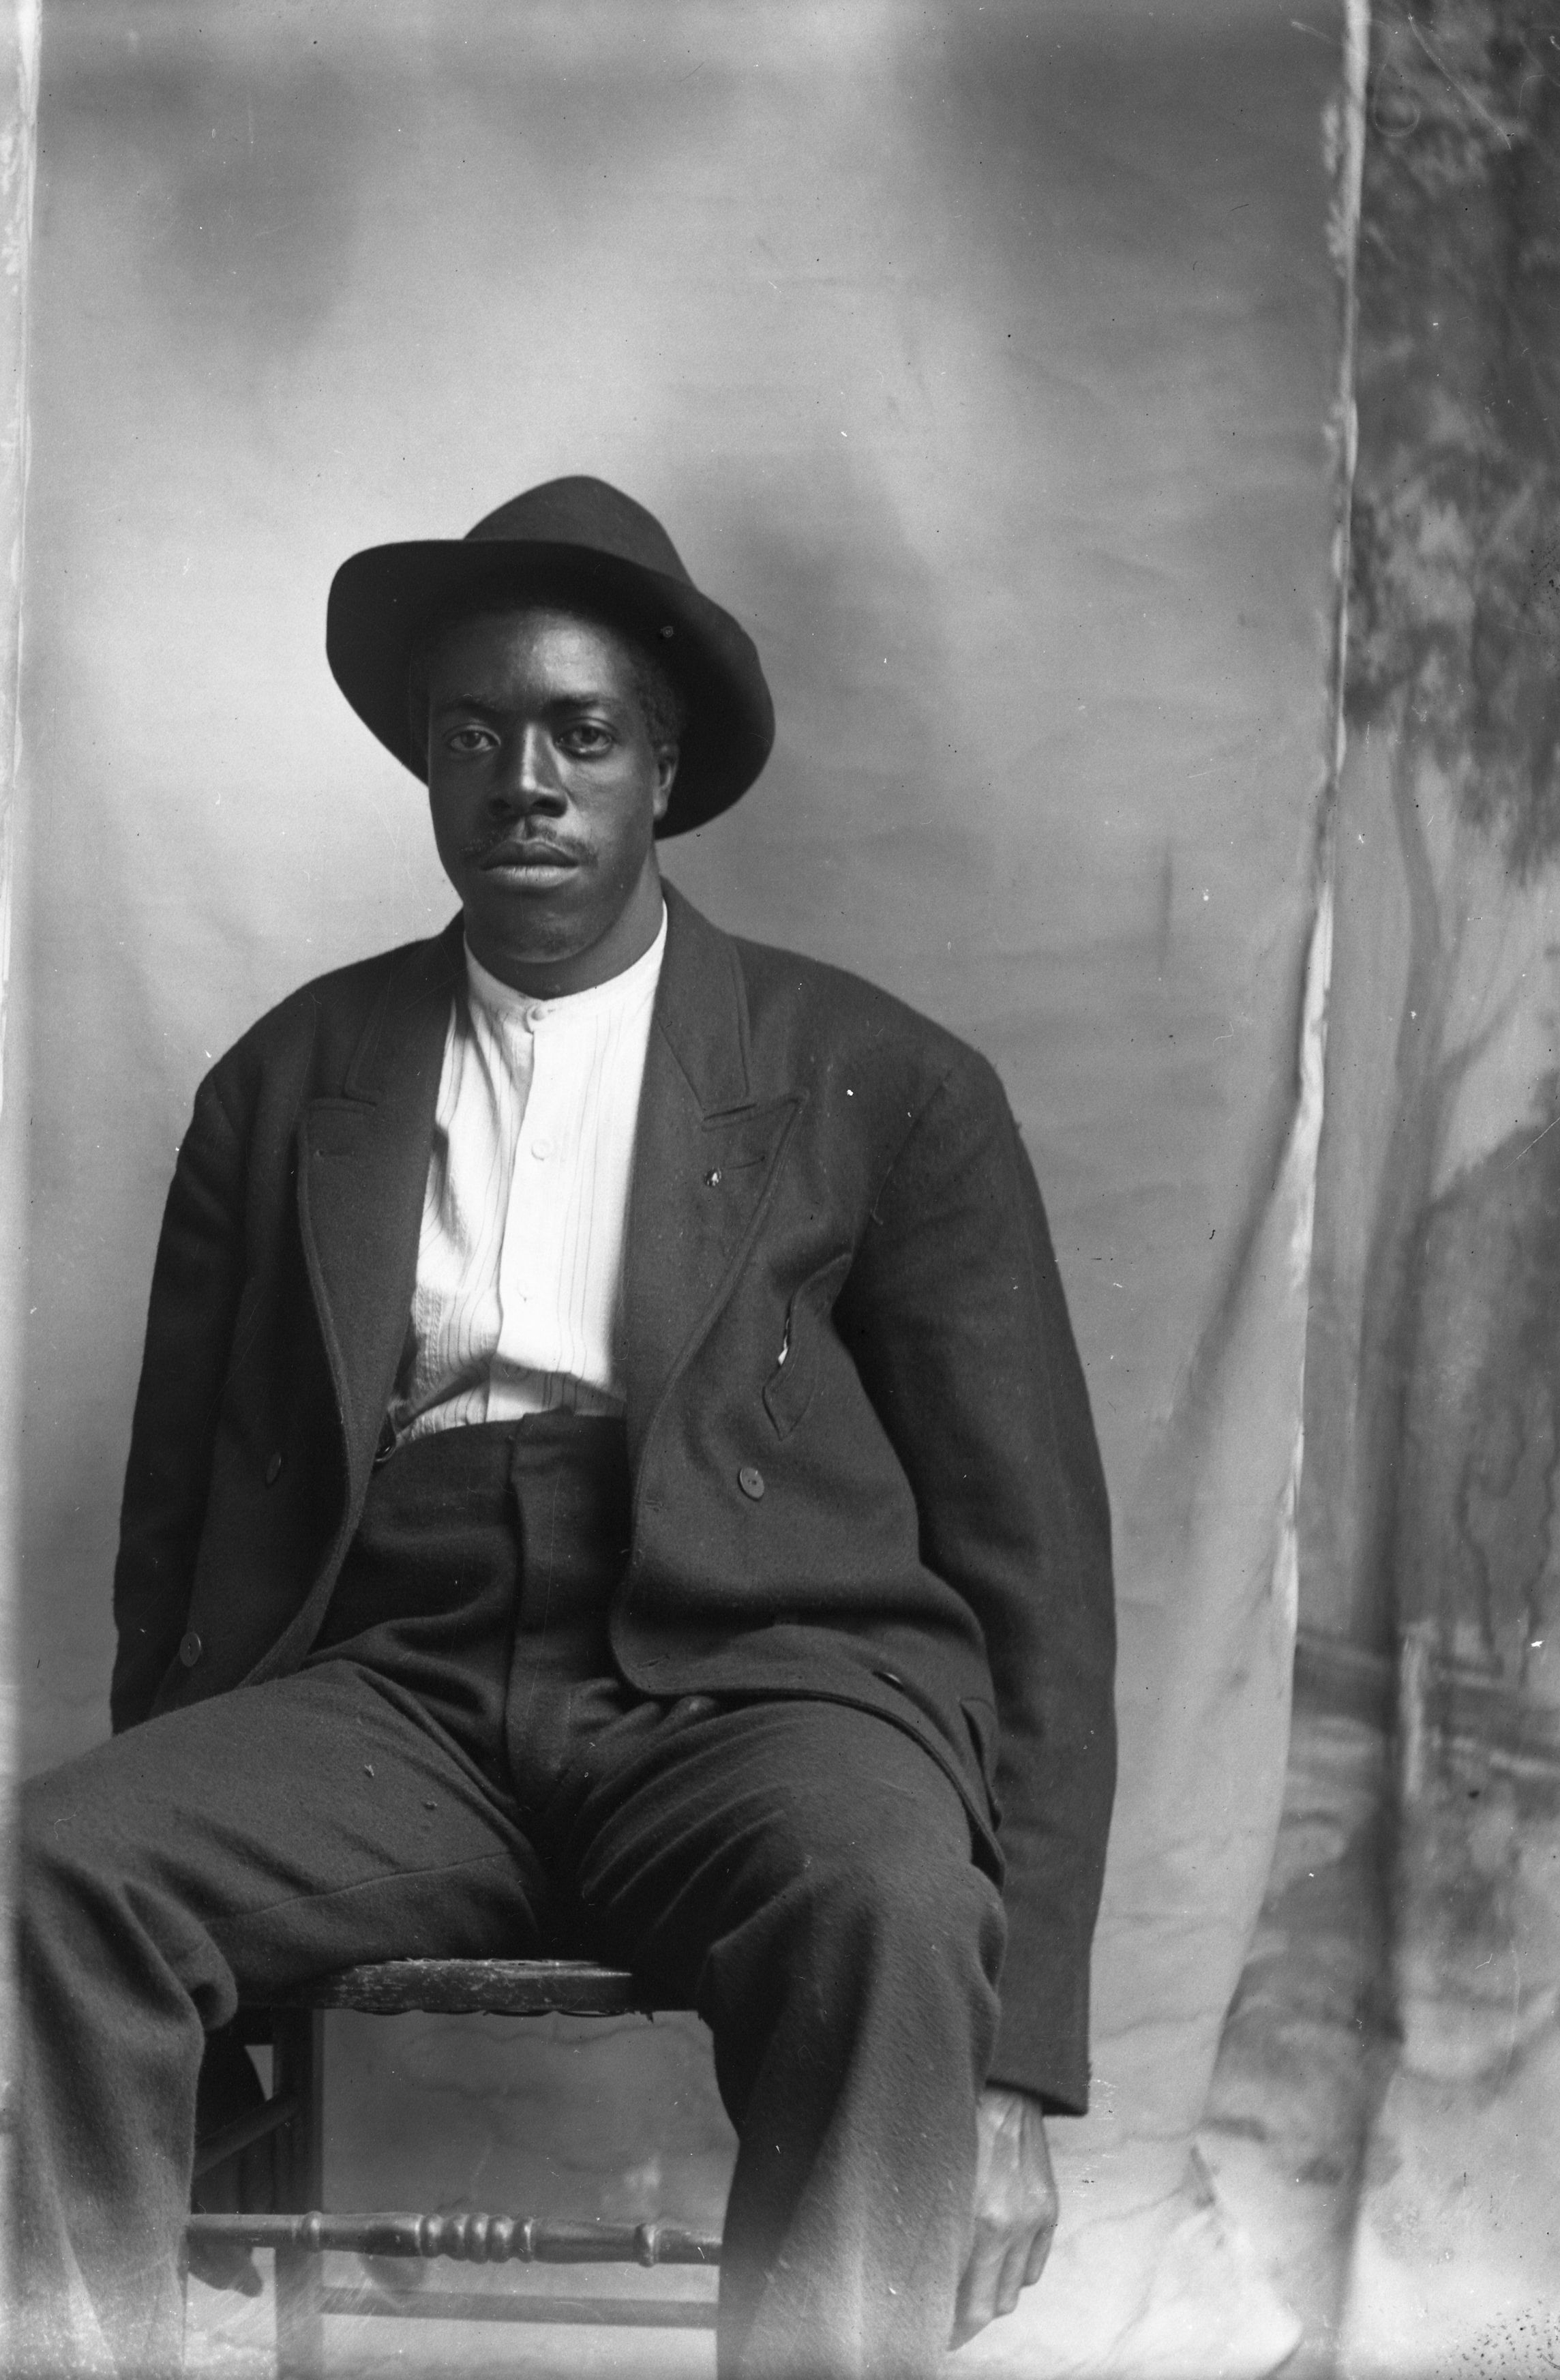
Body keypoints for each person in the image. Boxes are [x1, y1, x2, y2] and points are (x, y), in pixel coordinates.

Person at [12, 476, 1116, 2379]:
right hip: (399, 1694)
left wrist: (1016, 2066)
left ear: (660, 770)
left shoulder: (883, 1081)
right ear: (429, 769)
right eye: (474, 736)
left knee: (886, 1893)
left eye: (580, 734)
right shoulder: (286, 1084)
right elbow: (178, 1545)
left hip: (754, 1687)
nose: (524, 782)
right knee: (45, 1869)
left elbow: (1038, 1584)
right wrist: (196, 2038)